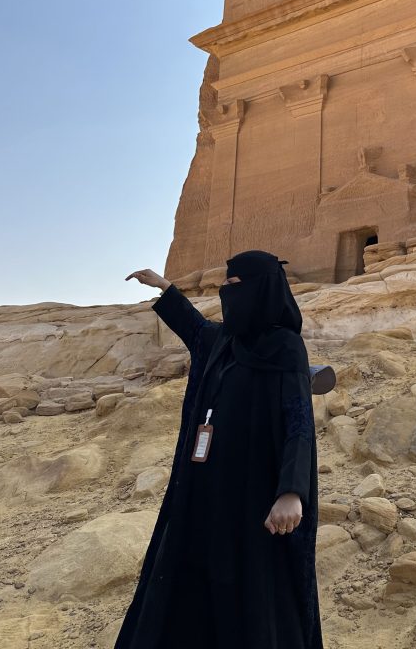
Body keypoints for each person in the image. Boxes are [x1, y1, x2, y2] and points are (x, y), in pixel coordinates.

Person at [114, 250, 325, 649]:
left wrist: (292, 491)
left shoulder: (285, 348)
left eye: (235, 285)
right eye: (224, 285)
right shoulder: (223, 340)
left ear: (261, 289)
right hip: (204, 487)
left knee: (251, 584)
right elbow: (194, 327)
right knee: (193, 573)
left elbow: (299, 423)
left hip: (254, 490)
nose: (227, 292)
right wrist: (164, 286)